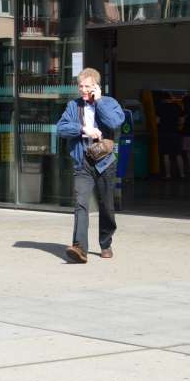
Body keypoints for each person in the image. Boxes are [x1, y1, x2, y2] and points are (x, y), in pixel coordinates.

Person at [56, 68, 126, 263]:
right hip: (82, 162)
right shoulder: (73, 106)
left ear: (96, 86)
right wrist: (82, 129)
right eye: (81, 86)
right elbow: (61, 128)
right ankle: (80, 248)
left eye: (87, 86)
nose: (83, 90)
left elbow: (114, 122)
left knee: (106, 206)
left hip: (105, 162)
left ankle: (105, 243)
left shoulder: (110, 103)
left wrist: (100, 102)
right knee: (80, 204)